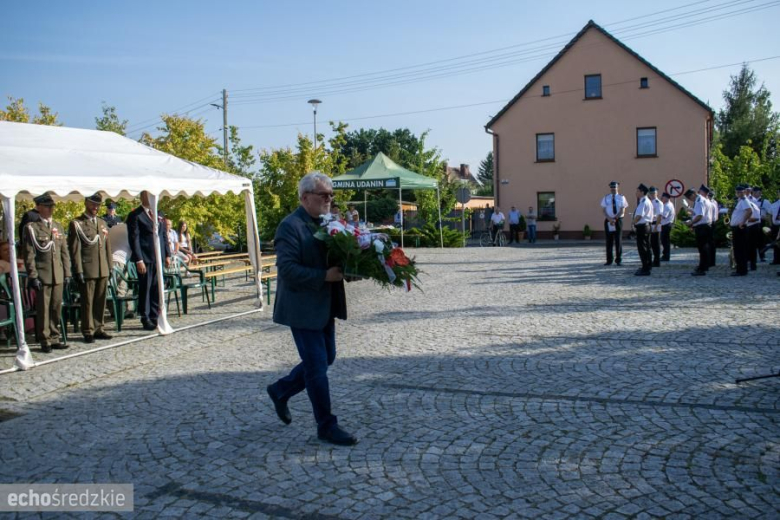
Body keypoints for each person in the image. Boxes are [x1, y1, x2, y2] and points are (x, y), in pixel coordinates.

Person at [266, 172, 357, 446]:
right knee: (317, 366)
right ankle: (326, 426)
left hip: (325, 305)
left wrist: (353, 267)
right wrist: (323, 276)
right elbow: (287, 269)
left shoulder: (328, 223)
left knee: (327, 357)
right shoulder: (290, 226)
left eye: (331, 195)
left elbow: (334, 259)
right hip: (302, 308)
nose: (329, 199)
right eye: (323, 195)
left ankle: (281, 390)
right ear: (305, 197)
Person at [22, 193, 71, 352]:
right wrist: (33, 275)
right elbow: (29, 254)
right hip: (43, 274)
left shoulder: (58, 226)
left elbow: (64, 252)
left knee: (56, 307)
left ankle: (55, 337)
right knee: (43, 309)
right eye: (47, 206)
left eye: (51, 206)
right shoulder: (32, 228)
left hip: (58, 274)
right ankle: (45, 339)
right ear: (39, 207)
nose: (50, 209)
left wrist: (67, 273)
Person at [68, 193, 113, 344]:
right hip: (88, 268)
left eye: (98, 205)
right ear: (86, 203)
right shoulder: (78, 223)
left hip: (102, 267)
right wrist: (78, 270)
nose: (95, 207)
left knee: (100, 300)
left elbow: (107, 247)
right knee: (87, 301)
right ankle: (88, 330)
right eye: (93, 204)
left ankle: (99, 327)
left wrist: (110, 266)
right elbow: (75, 249)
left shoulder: (102, 222)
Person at [126, 191, 171, 331]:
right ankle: (145, 317)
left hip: (158, 257)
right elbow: (134, 238)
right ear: (142, 196)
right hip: (145, 257)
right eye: (147, 195)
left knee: (157, 287)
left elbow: (163, 235)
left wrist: (167, 254)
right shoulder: (135, 215)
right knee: (146, 287)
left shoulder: (159, 214)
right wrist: (139, 259)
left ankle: (154, 315)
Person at [684, 185, 712, 276]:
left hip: (702, 227)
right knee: (704, 248)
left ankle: (702, 268)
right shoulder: (701, 200)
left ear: (693, 194)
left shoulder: (699, 201)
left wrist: (691, 222)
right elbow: (698, 213)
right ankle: (704, 266)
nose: (690, 200)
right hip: (704, 226)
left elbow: (700, 216)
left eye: (689, 198)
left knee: (702, 248)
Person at [108, 222, 134, 318]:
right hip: (120, 260)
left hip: (107, 259)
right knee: (121, 286)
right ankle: (120, 312)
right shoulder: (131, 229)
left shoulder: (114, 227)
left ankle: (113, 310)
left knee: (110, 287)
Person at [601, 181, 628, 266]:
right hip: (608, 221)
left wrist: (615, 219)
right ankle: (609, 260)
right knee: (609, 241)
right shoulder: (606, 197)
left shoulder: (621, 197)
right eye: (612, 187)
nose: (613, 189)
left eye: (614, 187)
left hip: (618, 220)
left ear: (618, 188)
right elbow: (604, 210)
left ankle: (618, 260)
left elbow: (622, 210)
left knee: (618, 240)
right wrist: (609, 219)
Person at [730, 185, 753, 276]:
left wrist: (742, 222)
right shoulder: (740, 201)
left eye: (740, 192)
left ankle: (742, 270)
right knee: (738, 249)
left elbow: (749, 211)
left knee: (740, 250)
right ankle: (740, 269)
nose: (738, 193)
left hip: (740, 228)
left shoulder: (744, 200)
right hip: (737, 228)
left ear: (744, 192)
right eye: (737, 192)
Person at [633, 184, 653, 276]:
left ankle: (645, 269)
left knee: (642, 248)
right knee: (647, 247)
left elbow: (639, 216)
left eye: (637, 191)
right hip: (647, 226)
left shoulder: (643, 201)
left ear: (642, 192)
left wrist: (633, 222)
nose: (636, 192)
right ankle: (648, 266)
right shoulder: (646, 200)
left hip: (642, 227)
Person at [745, 189, 762, 271]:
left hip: (752, 226)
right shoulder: (743, 201)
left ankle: (752, 264)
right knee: (747, 247)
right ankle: (748, 263)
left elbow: (756, 217)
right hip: (747, 226)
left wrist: (742, 220)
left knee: (751, 247)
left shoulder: (752, 201)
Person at [753, 187, 770, 262]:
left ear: (760, 193)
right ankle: (752, 257)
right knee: (752, 240)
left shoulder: (765, 202)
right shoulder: (750, 200)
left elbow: (770, 212)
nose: (754, 193)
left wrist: (766, 218)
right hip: (752, 222)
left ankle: (762, 256)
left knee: (761, 240)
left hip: (761, 222)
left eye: (756, 192)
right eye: (754, 192)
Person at [648, 187, 663, 268]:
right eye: (651, 193)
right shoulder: (650, 201)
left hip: (655, 224)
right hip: (650, 224)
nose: (652, 195)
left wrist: (656, 227)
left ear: (656, 193)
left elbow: (659, 216)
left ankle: (657, 261)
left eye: (654, 193)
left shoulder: (658, 202)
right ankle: (653, 260)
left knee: (656, 244)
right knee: (651, 244)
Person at [660, 192, 675, 261]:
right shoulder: (668, 204)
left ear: (666, 198)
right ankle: (665, 255)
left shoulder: (667, 206)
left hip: (666, 225)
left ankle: (666, 256)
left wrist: (655, 216)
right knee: (665, 241)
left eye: (663, 197)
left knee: (665, 242)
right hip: (666, 224)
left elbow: (664, 216)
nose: (661, 199)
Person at [707, 191, 719, 267]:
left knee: (710, 243)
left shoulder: (711, 203)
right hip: (712, 222)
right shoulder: (714, 202)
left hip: (711, 223)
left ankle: (711, 261)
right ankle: (711, 261)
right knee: (711, 243)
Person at [770, 187, 780, 265]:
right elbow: (770, 214)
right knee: (776, 244)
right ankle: (776, 259)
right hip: (776, 226)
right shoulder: (774, 204)